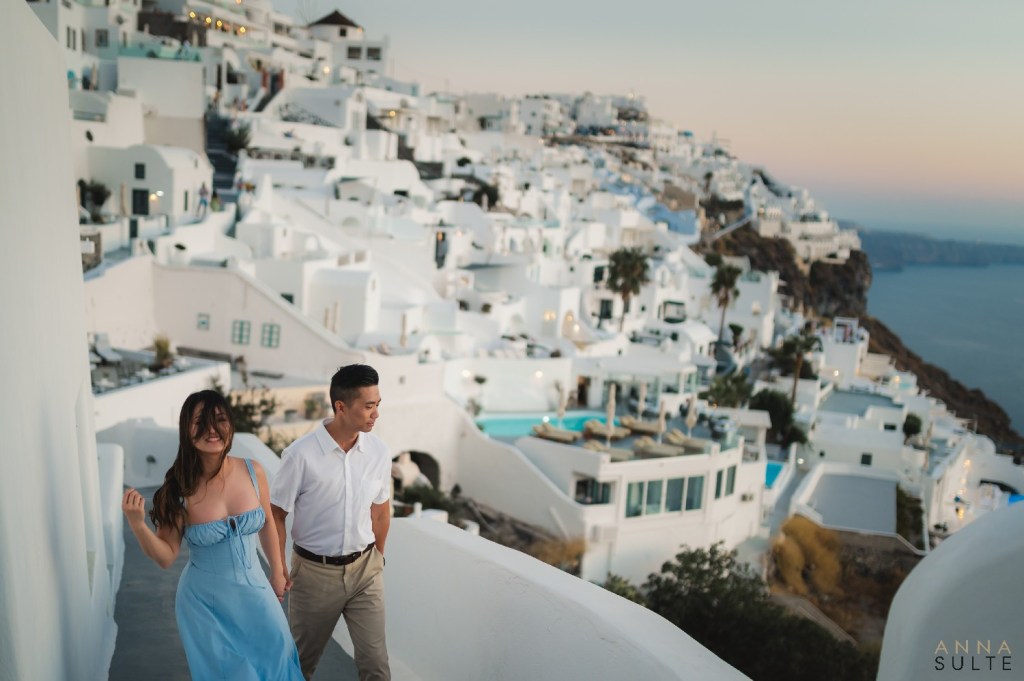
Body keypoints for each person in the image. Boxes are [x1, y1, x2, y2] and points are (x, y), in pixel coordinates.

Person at [121, 390, 303, 680]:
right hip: (205, 605)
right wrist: (138, 525)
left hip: (256, 593)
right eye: (199, 422)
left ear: (230, 423)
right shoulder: (177, 490)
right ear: (185, 429)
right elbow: (166, 557)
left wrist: (278, 572)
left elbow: (268, 521)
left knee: (279, 659)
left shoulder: (252, 471)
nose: (211, 429)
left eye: (219, 419)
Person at [272, 364, 392, 681]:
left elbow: (380, 510)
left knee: (376, 666)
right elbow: (276, 513)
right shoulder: (300, 455)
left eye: (378, 404)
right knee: (300, 665)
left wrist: (378, 556)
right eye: (368, 406)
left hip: (366, 571)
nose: (376, 414)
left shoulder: (378, 452)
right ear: (341, 407)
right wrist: (279, 566)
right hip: (313, 575)